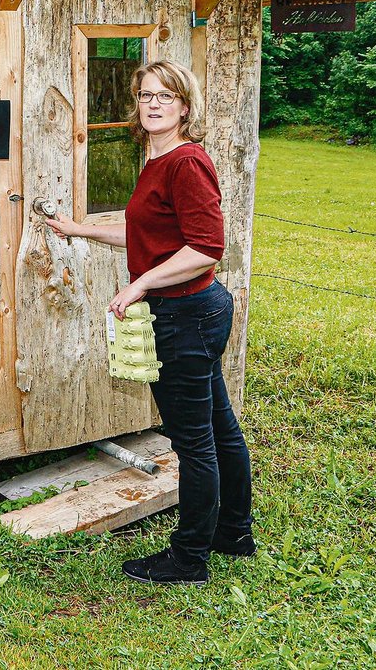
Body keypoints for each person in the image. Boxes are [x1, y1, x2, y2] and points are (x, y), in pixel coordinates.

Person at [45, 59, 253, 585]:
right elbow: (148, 235)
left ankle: (189, 559)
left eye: (166, 95)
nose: (153, 103)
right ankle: (233, 533)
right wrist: (81, 229)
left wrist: (140, 284)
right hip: (192, 312)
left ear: (185, 106)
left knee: (195, 443)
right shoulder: (155, 161)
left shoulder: (186, 163)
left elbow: (206, 248)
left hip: (188, 316)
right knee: (221, 429)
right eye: (145, 95)